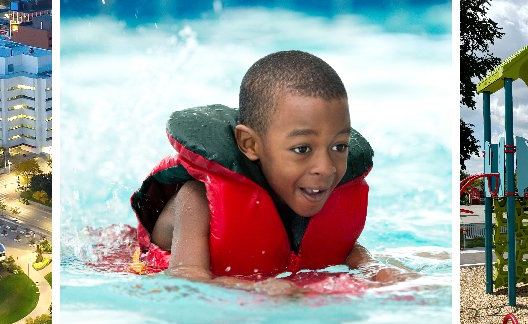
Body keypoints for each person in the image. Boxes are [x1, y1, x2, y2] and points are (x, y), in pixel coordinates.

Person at [126, 50, 408, 296]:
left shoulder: (312, 188)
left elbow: (341, 246)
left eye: (339, 146)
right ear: (251, 144)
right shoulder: (197, 199)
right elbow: (186, 280)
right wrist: (250, 288)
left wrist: (371, 268)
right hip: (130, 262)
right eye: (302, 149)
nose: (326, 168)